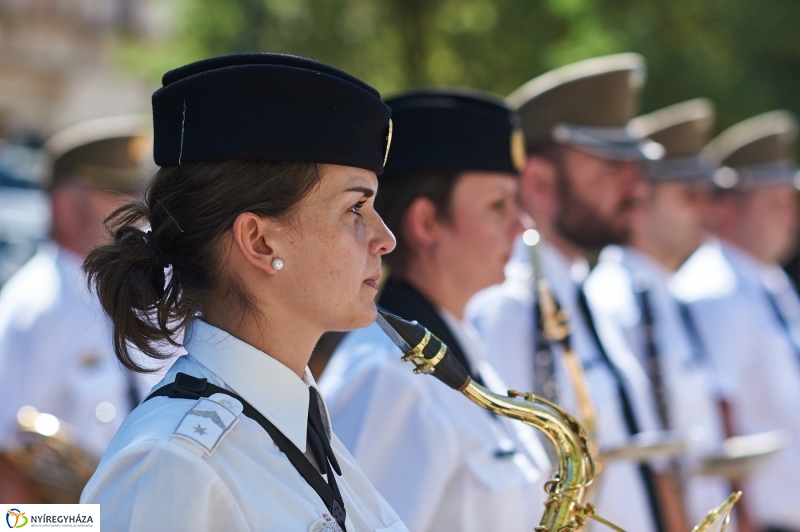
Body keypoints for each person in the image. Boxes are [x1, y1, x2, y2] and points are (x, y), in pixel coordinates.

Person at [79, 53, 406, 532]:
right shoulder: (176, 465)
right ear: (259, 240)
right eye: (356, 207)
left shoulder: (302, 432)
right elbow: (27, 519)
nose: (385, 238)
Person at [468, 53, 685, 532]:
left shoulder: (587, 294)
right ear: (541, 183)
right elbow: (511, 489)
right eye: (611, 169)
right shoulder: (509, 305)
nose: (637, 188)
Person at [318, 89, 550, 532]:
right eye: (498, 205)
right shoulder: (386, 378)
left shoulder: (463, 346)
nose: (522, 225)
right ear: (427, 223)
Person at [583, 99, 731, 524]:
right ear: (641, 201)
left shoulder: (664, 292)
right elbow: (650, 452)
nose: (706, 211)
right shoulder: (614, 297)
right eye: (689, 196)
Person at [0, 116, 161, 503]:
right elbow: (7, 483)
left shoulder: (138, 290)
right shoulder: (35, 309)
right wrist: (87, 527)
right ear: (67, 203)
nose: (136, 209)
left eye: (136, 192)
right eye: (117, 191)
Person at [671, 110, 800, 532]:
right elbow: (722, 412)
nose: (792, 217)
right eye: (777, 203)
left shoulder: (767, 278)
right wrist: (741, 518)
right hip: (761, 520)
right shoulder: (716, 287)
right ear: (727, 208)